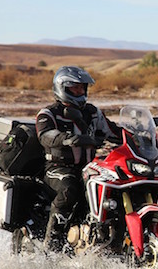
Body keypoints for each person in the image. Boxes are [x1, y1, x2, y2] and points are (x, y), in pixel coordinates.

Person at [36, 66, 121, 251]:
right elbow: (45, 135)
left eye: (82, 88)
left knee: (113, 190)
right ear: (62, 88)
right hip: (58, 168)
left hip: (88, 167)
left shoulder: (92, 113)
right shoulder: (49, 113)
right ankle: (52, 247)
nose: (80, 91)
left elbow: (113, 131)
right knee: (69, 189)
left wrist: (141, 136)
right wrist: (66, 139)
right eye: (75, 88)